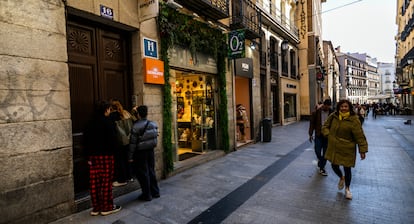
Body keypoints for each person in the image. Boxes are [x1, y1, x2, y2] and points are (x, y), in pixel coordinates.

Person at [322, 99, 368, 200]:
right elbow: (325, 126)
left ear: (349, 108)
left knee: (347, 169)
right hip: (334, 147)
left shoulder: (354, 119)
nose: (343, 108)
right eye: (342, 106)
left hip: (348, 148)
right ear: (339, 107)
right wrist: (328, 135)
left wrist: (362, 150)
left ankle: (347, 189)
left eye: (345, 106)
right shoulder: (333, 116)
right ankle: (341, 177)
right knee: (334, 165)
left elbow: (360, 135)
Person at [83, 100, 122, 216]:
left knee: (94, 182)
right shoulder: (107, 122)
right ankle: (107, 207)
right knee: (106, 182)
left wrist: (87, 156)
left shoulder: (89, 123)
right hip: (106, 156)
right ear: (106, 110)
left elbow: (84, 141)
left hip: (93, 157)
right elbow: (113, 140)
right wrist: (116, 154)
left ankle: (96, 208)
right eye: (109, 109)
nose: (110, 111)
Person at [128, 105, 160, 201]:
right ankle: (155, 192)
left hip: (140, 152)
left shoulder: (135, 127)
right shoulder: (153, 124)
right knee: (151, 171)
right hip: (150, 151)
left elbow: (132, 144)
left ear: (138, 114)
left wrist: (130, 156)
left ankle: (147, 195)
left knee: (143, 173)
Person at [110, 99, 134, 187]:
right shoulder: (126, 113)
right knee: (128, 159)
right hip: (129, 140)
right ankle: (130, 176)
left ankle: (122, 179)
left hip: (119, 142)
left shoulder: (111, 116)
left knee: (120, 161)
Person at [308, 99, 333, 176]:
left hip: (327, 135)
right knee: (317, 150)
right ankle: (321, 161)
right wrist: (310, 134)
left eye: (329, 106)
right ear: (324, 105)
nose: (327, 108)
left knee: (325, 153)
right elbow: (312, 123)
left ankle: (322, 168)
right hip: (318, 134)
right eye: (326, 106)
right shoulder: (316, 112)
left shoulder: (332, 113)